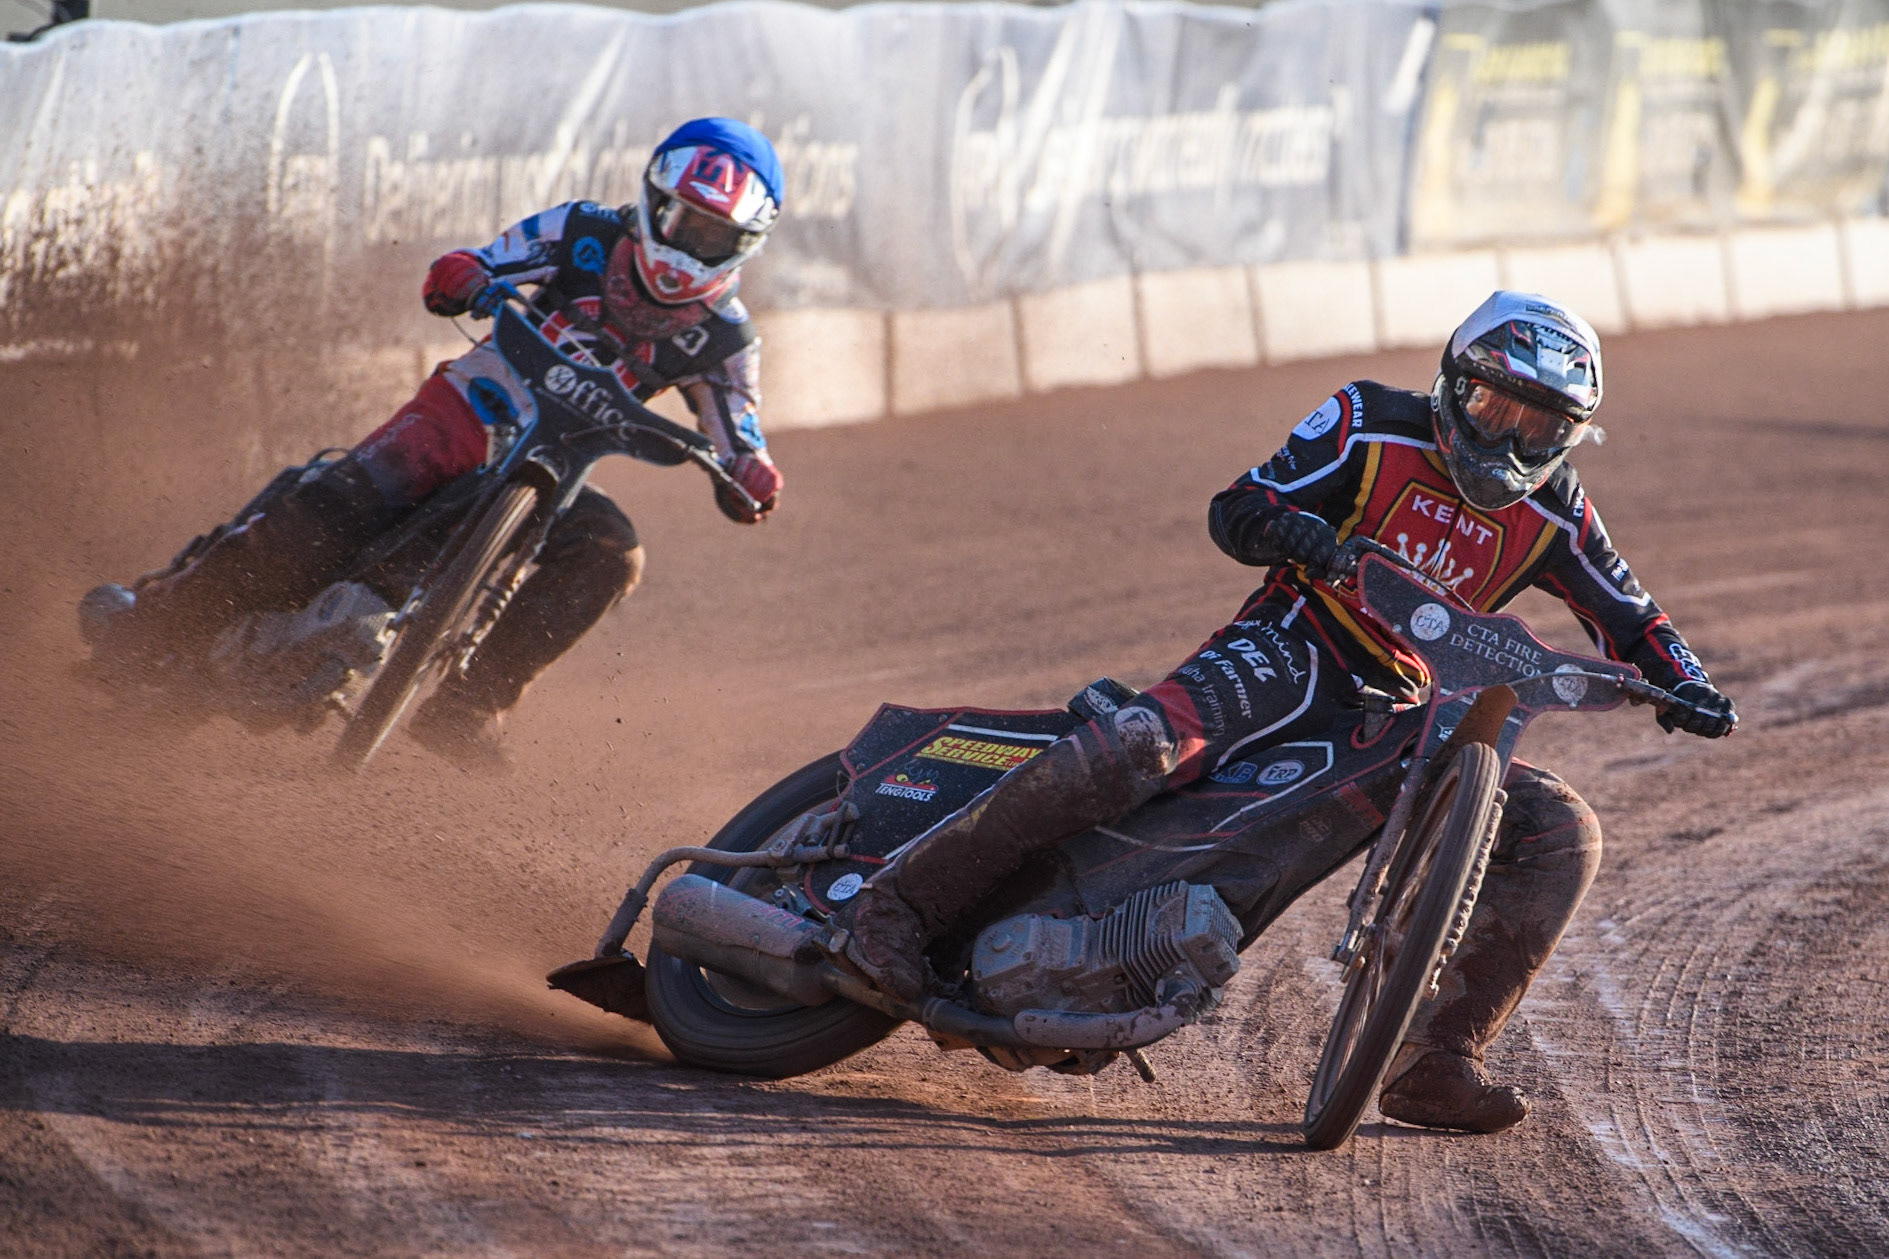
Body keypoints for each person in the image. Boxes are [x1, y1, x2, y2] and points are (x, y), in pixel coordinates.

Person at [838, 291, 1737, 1134]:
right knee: (1146, 745)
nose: (1510, 440)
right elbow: (1238, 507)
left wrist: (1686, 683)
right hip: (1291, 643)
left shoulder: (1559, 512)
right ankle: (898, 906)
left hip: (1405, 710)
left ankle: (1435, 1054)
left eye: (1539, 425)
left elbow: (1634, 619)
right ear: (1455, 386)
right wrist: (1288, 529)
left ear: (1571, 435)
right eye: (1497, 409)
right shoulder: (1368, 421)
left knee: (1560, 828)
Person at [89, 117, 787, 771]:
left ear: (744, 245)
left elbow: (738, 426)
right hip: (471, 407)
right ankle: (158, 620)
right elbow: (486, 262)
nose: (688, 245)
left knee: (612, 552)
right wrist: (464, 273)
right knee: (334, 512)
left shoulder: (727, 337)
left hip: (557, 466)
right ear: (651, 199)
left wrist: (750, 472)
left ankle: (469, 705)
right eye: (680, 220)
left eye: (711, 235)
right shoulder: (583, 230)